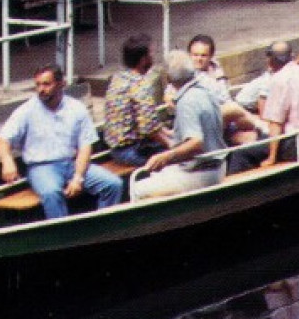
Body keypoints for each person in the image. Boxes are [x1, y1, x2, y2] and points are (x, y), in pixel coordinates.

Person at [0, 64, 123, 219]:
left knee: (113, 184)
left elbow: (85, 147)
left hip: (71, 164)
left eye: (46, 84)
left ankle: (105, 228)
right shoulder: (26, 110)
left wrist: (78, 178)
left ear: (62, 84)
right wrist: (7, 161)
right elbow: (3, 139)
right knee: (51, 193)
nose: (41, 89)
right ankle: (66, 237)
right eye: (38, 85)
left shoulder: (76, 108)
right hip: (41, 168)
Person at [133, 50, 231, 200]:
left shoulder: (186, 102)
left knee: (137, 188)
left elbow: (196, 142)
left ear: (168, 78)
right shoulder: (205, 90)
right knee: (155, 173)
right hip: (216, 165)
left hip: (202, 172)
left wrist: (166, 156)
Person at [102, 34, 172, 167]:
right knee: (178, 158)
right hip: (131, 150)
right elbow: (149, 129)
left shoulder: (118, 78)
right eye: (152, 53)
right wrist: (172, 146)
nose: (154, 57)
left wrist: (167, 132)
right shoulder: (140, 86)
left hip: (116, 149)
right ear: (143, 59)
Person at [186, 33, 264, 142]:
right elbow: (171, 92)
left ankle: (270, 137)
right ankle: (264, 127)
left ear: (210, 56)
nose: (199, 59)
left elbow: (225, 94)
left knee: (253, 139)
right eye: (195, 55)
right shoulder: (186, 73)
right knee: (233, 109)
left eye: (203, 55)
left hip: (226, 120)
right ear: (189, 55)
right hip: (205, 121)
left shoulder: (215, 68)